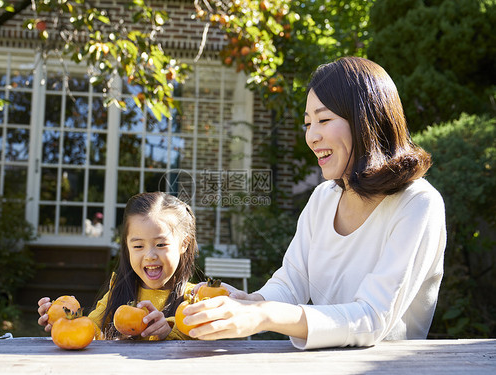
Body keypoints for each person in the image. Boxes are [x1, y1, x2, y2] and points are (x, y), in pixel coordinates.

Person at [182, 56, 446, 350]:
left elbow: (371, 319)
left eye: (323, 120)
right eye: (308, 123)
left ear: (365, 119)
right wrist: (248, 302)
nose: (312, 136)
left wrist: (263, 315)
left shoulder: (418, 204)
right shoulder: (323, 199)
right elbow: (291, 282)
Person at [38, 192, 198, 340]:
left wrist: (167, 331)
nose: (150, 256)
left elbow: (200, 342)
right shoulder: (119, 289)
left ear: (184, 244)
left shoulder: (194, 299)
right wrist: (66, 321)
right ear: (127, 247)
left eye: (161, 244)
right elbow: (91, 330)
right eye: (138, 246)